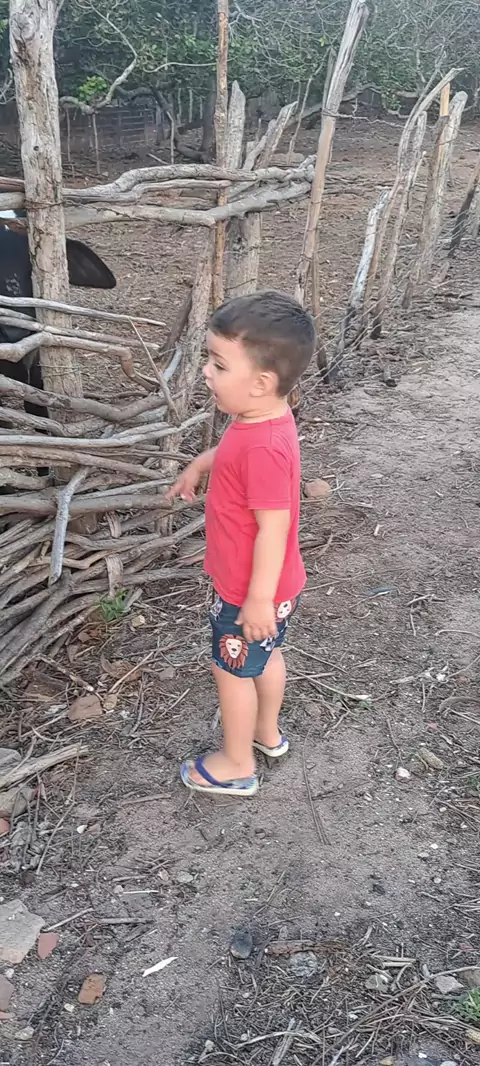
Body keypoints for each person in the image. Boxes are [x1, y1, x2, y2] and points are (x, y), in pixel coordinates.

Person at [167, 290, 316, 797]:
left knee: (230, 671)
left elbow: (274, 528)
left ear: (260, 383)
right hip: (275, 587)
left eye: (218, 364)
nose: (206, 372)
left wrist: (256, 599)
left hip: (249, 589)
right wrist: (200, 463)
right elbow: (234, 451)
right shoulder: (264, 418)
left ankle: (236, 764)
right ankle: (266, 734)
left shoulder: (263, 448)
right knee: (266, 657)